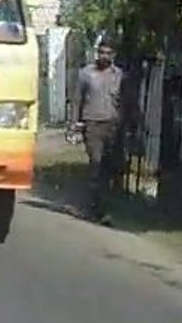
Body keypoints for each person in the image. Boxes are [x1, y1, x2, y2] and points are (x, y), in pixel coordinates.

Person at [72, 38, 123, 224]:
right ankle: (94, 208)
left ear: (113, 55)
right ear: (97, 53)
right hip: (92, 124)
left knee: (108, 168)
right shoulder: (86, 73)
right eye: (102, 52)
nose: (105, 56)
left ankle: (103, 208)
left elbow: (124, 100)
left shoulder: (119, 75)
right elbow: (77, 99)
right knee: (96, 163)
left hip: (112, 124)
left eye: (108, 53)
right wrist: (75, 125)